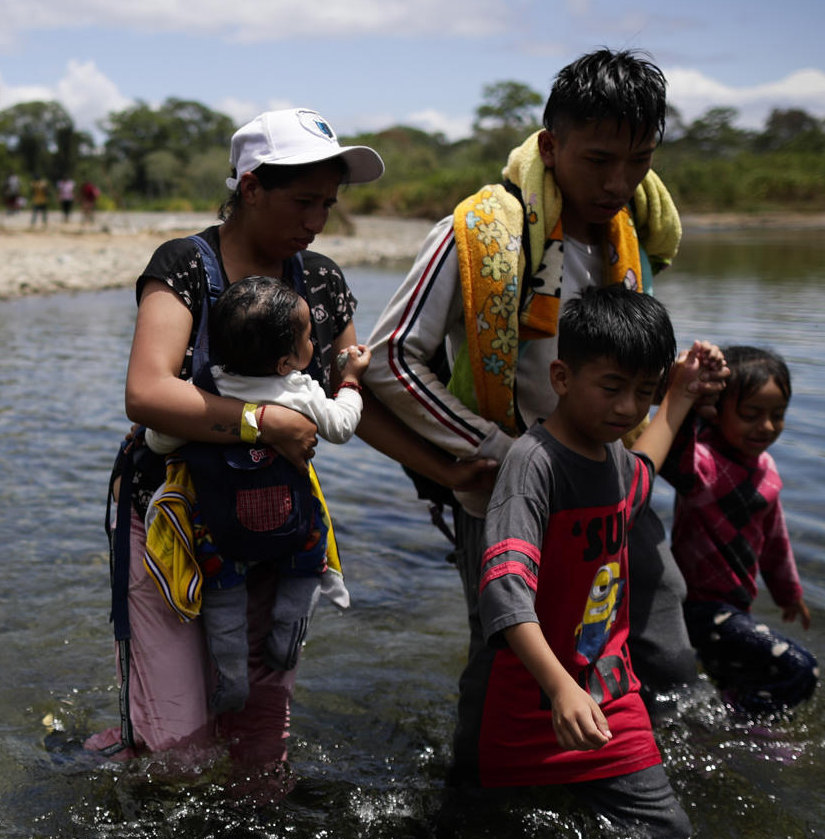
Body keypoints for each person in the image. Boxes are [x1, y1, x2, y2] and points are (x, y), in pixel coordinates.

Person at [91, 107, 490, 789]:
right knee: (178, 737)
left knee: (260, 718)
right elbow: (148, 393)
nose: (318, 220)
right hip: (171, 522)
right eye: (303, 201)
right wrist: (261, 423)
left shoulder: (323, 283)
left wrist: (450, 473)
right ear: (250, 187)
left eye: (328, 204)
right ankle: (150, 792)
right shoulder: (187, 266)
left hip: (272, 522)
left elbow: (355, 403)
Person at [363, 48, 704, 791]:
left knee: (660, 632)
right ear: (551, 148)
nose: (618, 183)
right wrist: (498, 449)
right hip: (512, 488)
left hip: (613, 481)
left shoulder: (628, 234)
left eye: (639, 161)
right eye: (599, 160)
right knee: (512, 651)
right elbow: (389, 358)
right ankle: (486, 811)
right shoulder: (487, 232)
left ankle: (656, 770)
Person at [473, 285, 725, 839]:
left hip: (612, 696)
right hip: (529, 704)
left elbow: (640, 475)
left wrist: (679, 396)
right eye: (612, 388)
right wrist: (560, 688)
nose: (630, 408)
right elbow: (504, 587)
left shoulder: (612, 455)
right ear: (561, 378)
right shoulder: (533, 465)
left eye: (645, 392)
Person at [143, 274, 371, 714]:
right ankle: (285, 643)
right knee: (306, 567)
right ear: (287, 362)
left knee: (224, 605)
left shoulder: (206, 390)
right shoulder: (299, 392)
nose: (313, 342)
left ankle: (231, 683)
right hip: (291, 526)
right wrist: (351, 381)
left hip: (220, 530)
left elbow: (159, 440)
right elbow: (342, 426)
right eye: (308, 337)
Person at [663, 345, 819, 715]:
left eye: (777, 415)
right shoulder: (702, 463)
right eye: (751, 414)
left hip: (736, 607)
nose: (765, 427)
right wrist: (691, 393)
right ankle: (748, 727)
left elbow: (775, 540)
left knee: (736, 677)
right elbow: (673, 455)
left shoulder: (766, 470)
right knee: (799, 667)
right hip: (699, 607)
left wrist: (788, 593)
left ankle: (723, 717)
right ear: (716, 412)